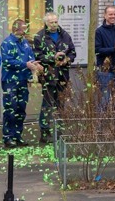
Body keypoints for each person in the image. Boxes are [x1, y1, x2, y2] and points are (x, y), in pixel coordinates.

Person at [34, 12, 76, 143]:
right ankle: (45, 132)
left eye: (56, 22)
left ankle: (60, 131)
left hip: (63, 75)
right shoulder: (39, 37)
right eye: (51, 22)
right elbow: (38, 56)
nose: (54, 24)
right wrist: (53, 57)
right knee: (47, 104)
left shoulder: (65, 35)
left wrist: (66, 59)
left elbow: (73, 52)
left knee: (61, 104)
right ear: (46, 23)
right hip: (48, 76)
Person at [1, 19, 43, 148]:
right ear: (16, 29)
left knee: (21, 109)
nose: (25, 31)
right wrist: (25, 64)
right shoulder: (7, 43)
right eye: (23, 29)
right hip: (10, 81)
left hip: (22, 80)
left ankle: (17, 136)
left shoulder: (25, 43)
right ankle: (8, 137)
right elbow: (8, 61)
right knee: (11, 109)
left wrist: (35, 64)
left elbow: (30, 57)